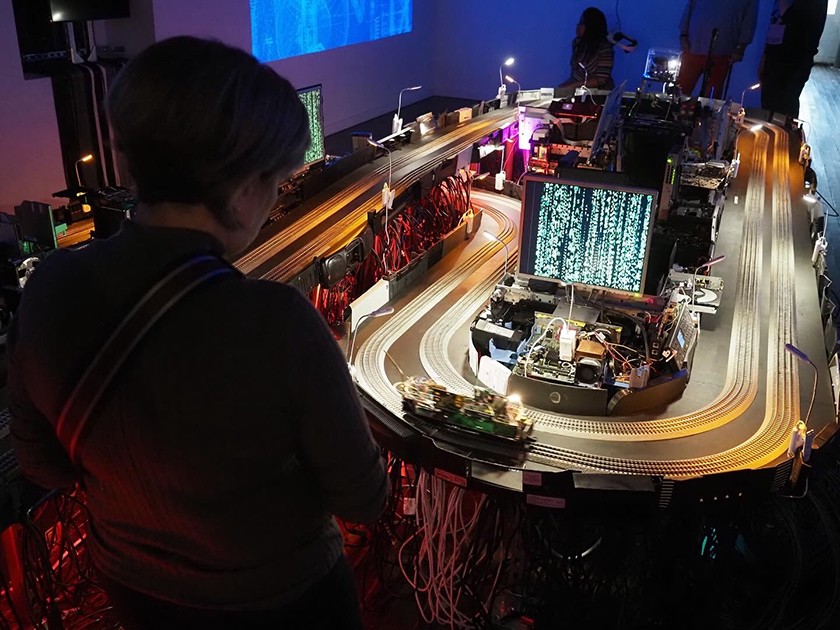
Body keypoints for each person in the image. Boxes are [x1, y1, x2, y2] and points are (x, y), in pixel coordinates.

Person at [8, 36, 388, 629]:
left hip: (136, 594)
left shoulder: (50, 288)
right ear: (241, 193)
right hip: (285, 602)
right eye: (276, 183)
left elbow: (43, 464)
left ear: (131, 161)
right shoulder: (277, 321)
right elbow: (364, 499)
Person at [760, 0, 828, 122]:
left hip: (794, 63)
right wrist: (765, 56)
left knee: (785, 109)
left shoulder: (814, 4)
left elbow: (809, 35)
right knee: (768, 106)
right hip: (774, 58)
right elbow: (775, 22)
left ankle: (785, 138)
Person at [677, 0, 758, 98]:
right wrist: (683, 35)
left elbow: (749, 21)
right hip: (693, 48)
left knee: (711, 99)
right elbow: (690, 8)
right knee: (680, 92)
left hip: (722, 52)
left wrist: (741, 47)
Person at [558, 7, 615, 93]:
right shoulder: (577, 43)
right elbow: (575, 73)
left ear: (591, 26)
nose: (577, 26)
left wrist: (572, 86)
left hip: (597, 94)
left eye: (581, 23)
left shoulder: (604, 48)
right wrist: (563, 88)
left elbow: (601, 79)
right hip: (577, 90)